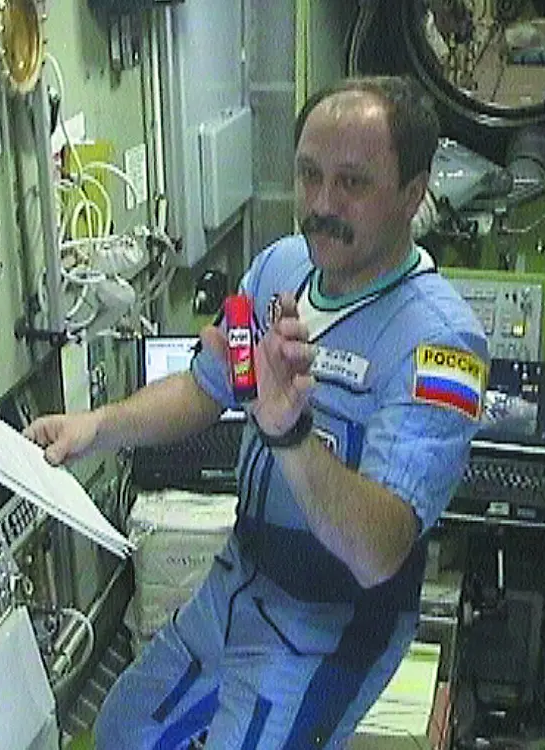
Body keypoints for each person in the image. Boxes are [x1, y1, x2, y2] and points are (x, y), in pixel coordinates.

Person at [25, 75, 489, 749]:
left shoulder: (441, 344)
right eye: (309, 175)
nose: (321, 204)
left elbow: (379, 552)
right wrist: (98, 427)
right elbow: (204, 386)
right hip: (239, 583)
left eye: (352, 183)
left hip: (328, 629)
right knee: (124, 728)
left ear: (413, 193)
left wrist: (290, 433)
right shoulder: (279, 268)